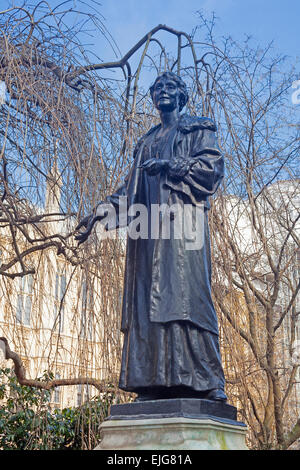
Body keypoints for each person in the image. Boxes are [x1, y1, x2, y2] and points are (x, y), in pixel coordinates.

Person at [75, 72, 227, 402]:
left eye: (170, 87)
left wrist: (171, 166)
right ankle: (155, 380)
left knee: (188, 300)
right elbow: (128, 191)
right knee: (148, 304)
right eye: (157, 89)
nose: (163, 93)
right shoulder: (146, 142)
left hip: (183, 230)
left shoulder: (197, 129)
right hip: (147, 236)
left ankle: (206, 379)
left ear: (182, 95)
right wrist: (100, 212)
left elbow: (212, 170)